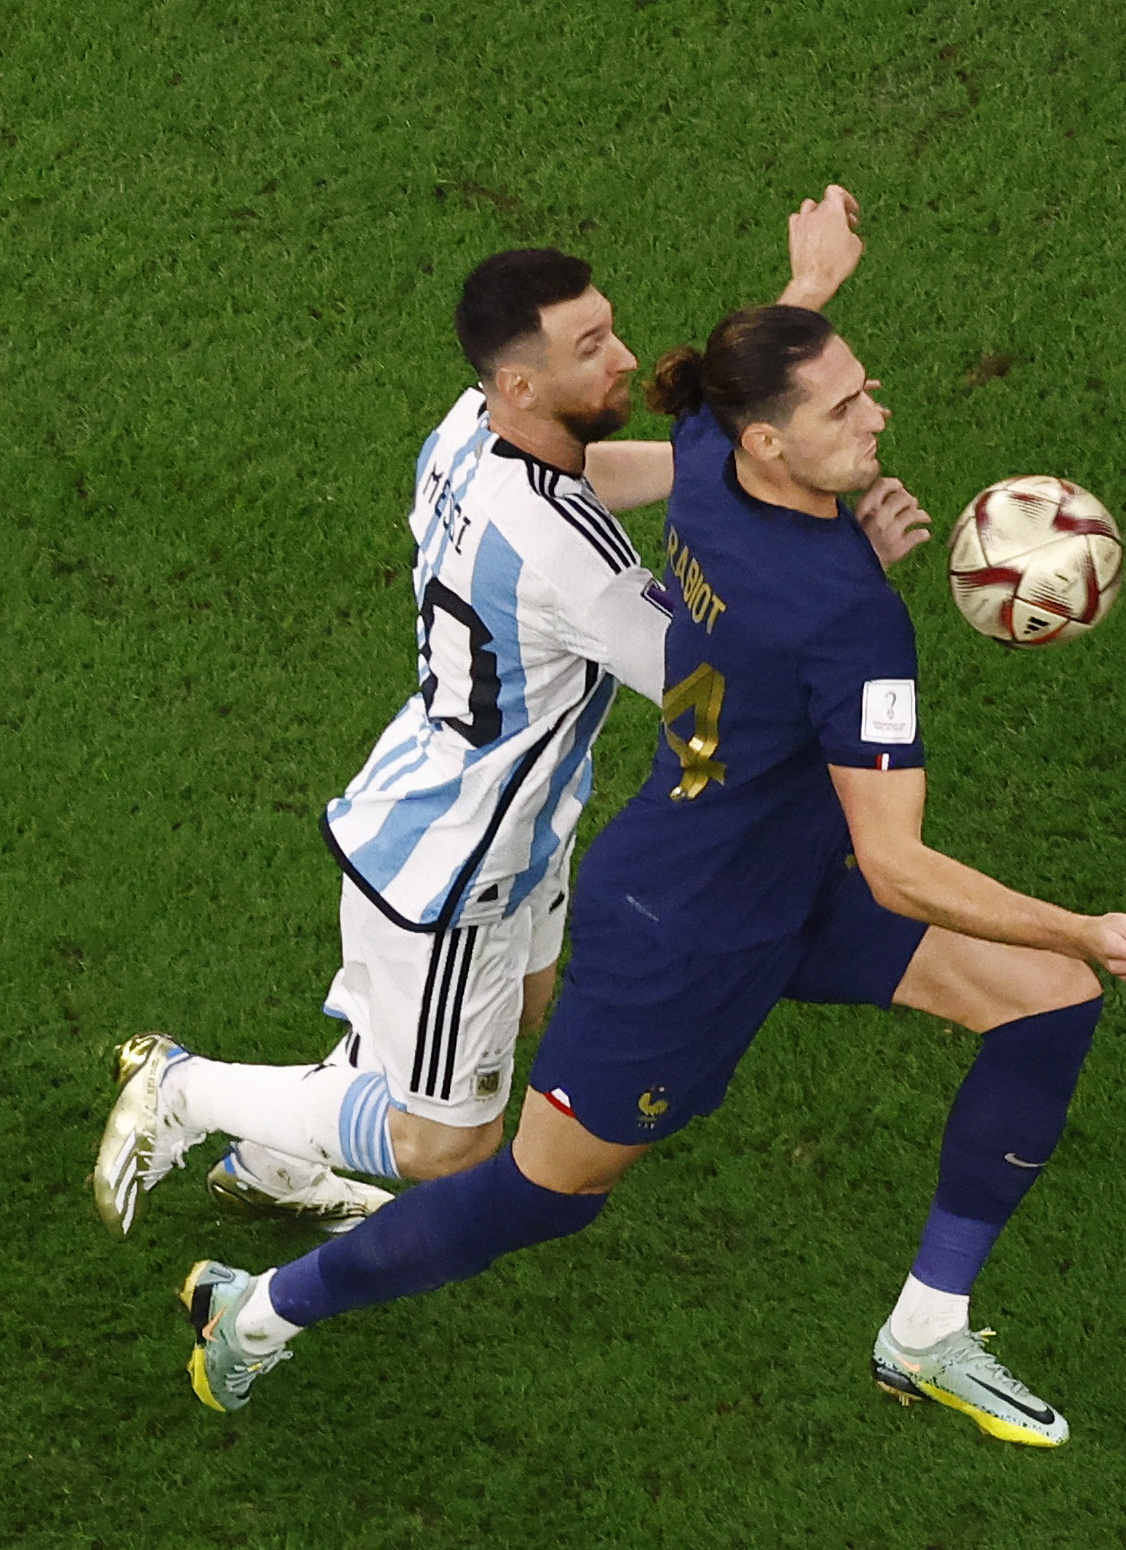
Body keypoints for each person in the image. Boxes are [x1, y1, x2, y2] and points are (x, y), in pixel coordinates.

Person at [174, 304, 1126, 1446]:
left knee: (1047, 1000)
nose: (879, 415)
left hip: (775, 869)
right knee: (536, 1196)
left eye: (864, 388)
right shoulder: (852, 619)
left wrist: (808, 287)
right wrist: (1081, 923)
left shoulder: (708, 454)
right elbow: (897, 866)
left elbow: (735, 436)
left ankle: (923, 1330)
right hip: (682, 930)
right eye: (845, 405)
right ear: (768, 439)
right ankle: (254, 1310)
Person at [90, 189, 908, 1237]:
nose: (622, 357)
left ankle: (276, 1162)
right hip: (456, 855)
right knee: (448, 1140)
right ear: (523, 379)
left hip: (501, 814)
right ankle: (181, 1086)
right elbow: (716, 688)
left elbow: (609, 470)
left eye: (607, 326)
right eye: (591, 346)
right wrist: (848, 559)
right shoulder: (576, 568)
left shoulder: (474, 427)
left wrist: (789, 333)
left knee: (517, 1008)